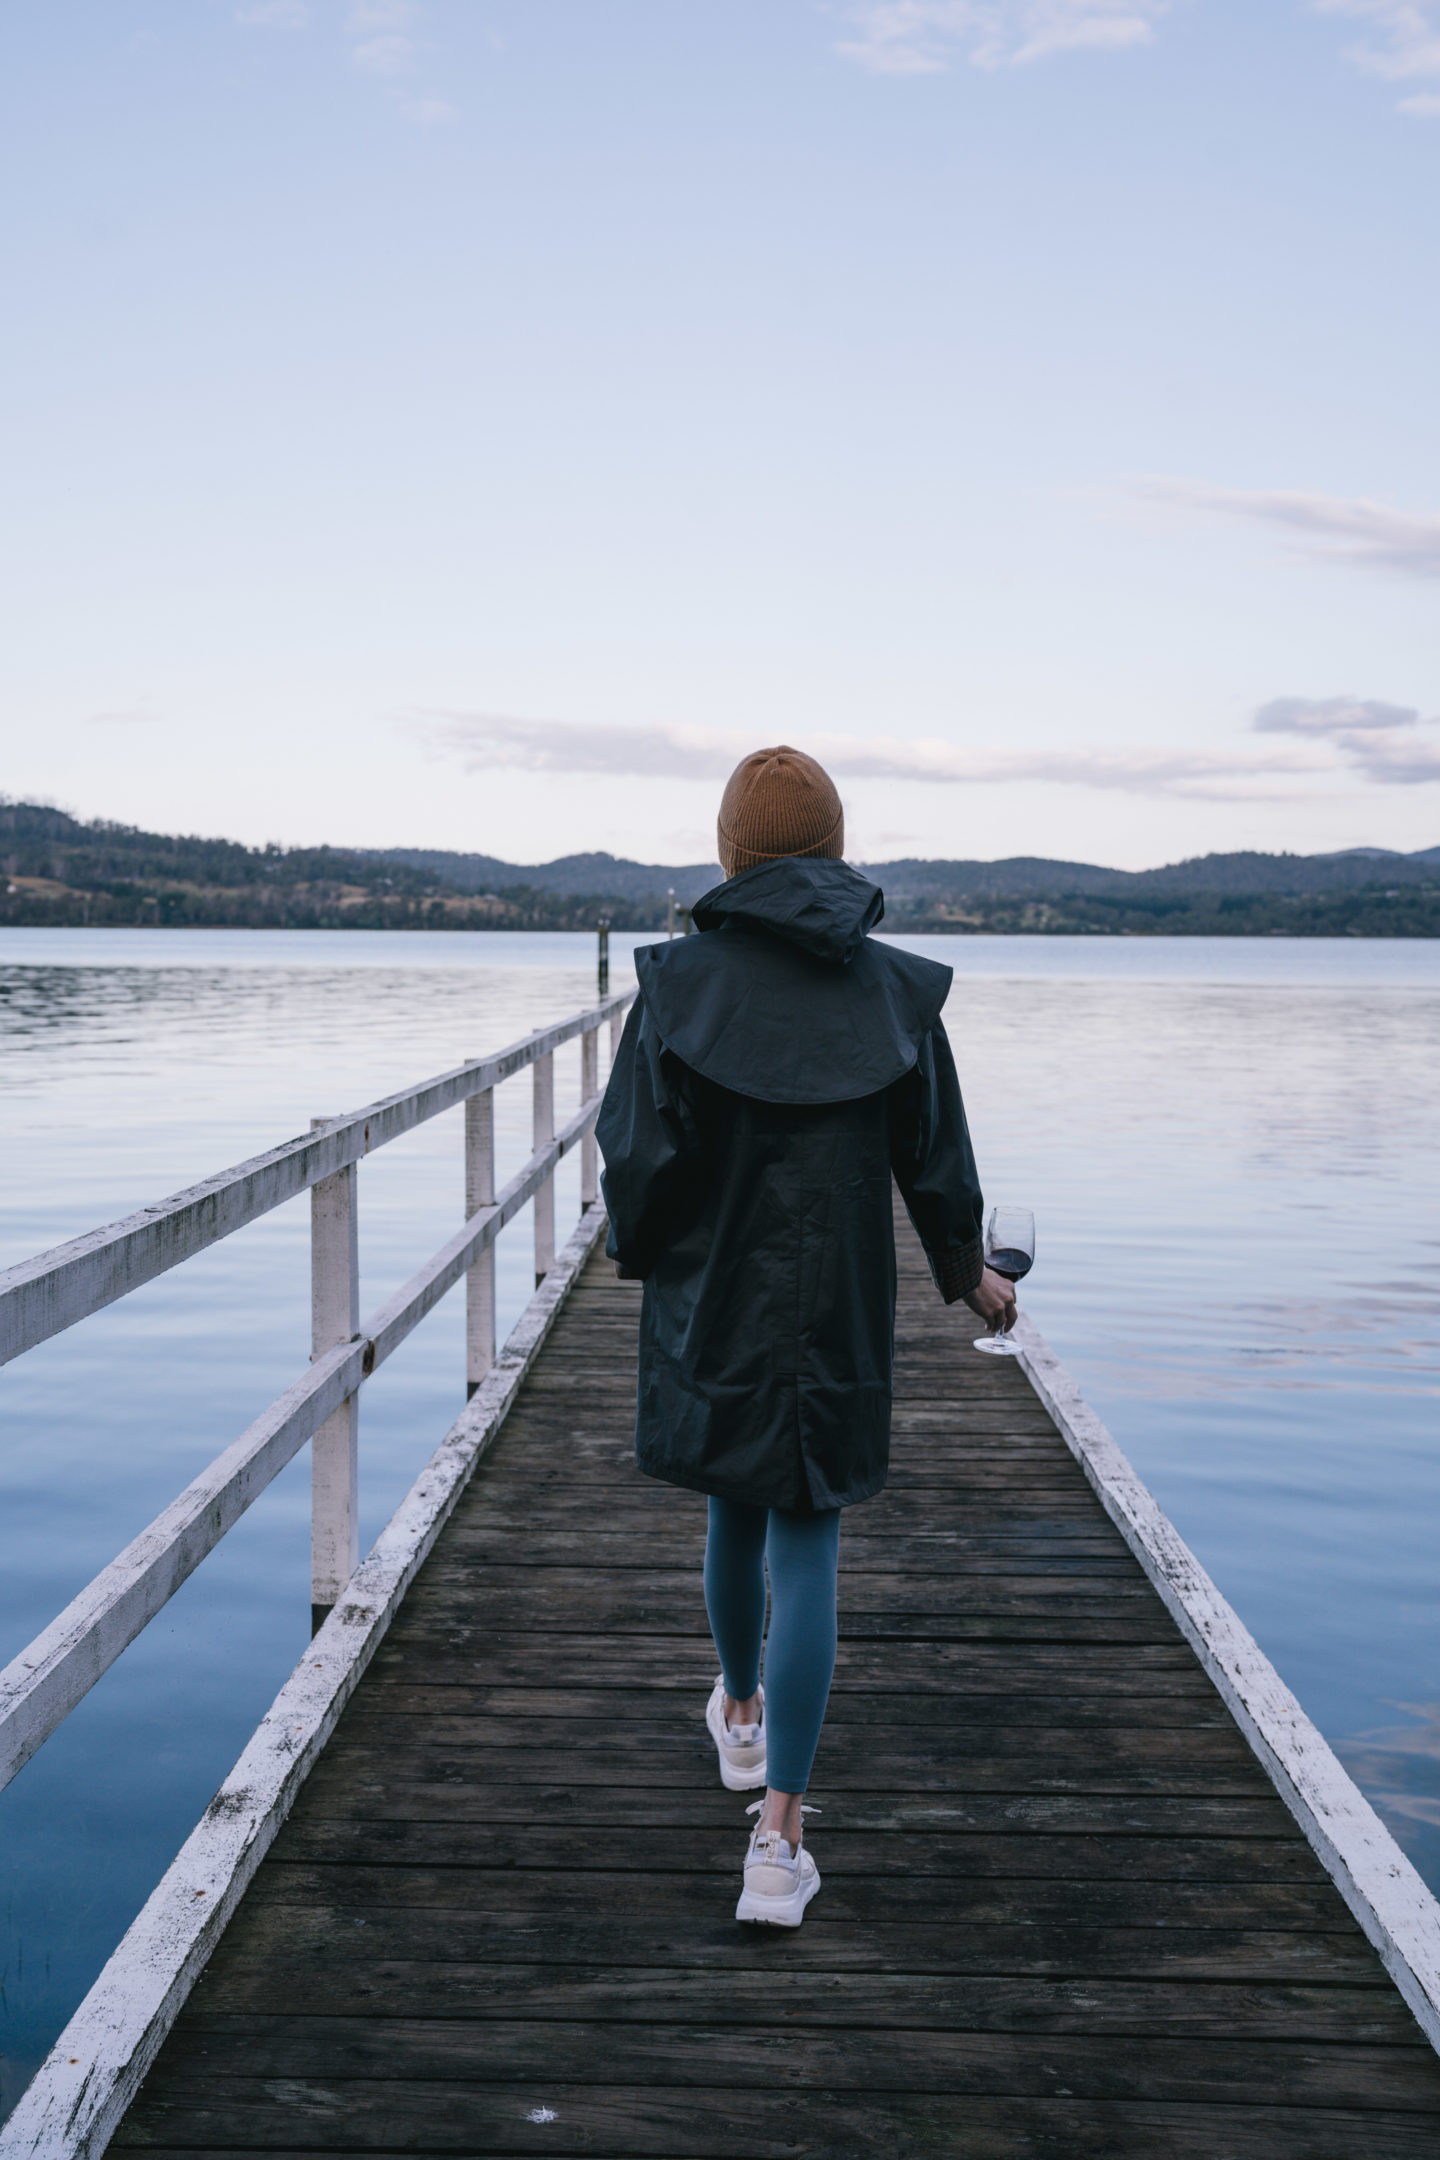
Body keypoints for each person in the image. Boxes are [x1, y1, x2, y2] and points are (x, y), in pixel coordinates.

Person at [596, 746, 1015, 1927]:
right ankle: (776, 1842)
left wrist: (642, 1256)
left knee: (733, 1506)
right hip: (834, 1307)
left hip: (715, 1299)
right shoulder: (893, 991)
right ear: (834, 848)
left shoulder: (677, 988)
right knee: (808, 1544)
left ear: (732, 852)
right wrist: (965, 1275)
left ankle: (737, 1710)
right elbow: (938, 1162)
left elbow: (636, 1160)